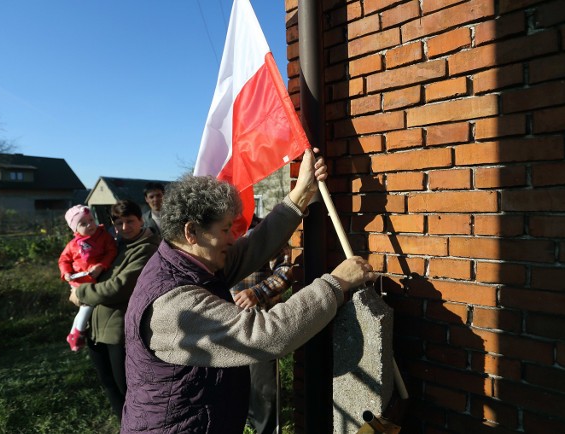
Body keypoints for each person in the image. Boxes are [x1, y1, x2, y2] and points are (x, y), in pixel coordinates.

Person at [121, 148, 375, 434]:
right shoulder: (173, 305)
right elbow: (266, 335)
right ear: (192, 232)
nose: (233, 237)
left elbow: (252, 247)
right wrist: (336, 283)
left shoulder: (189, 262)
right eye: (226, 229)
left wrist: (301, 193)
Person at [68, 199, 159, 422]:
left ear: (141, 220)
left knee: (128, 389)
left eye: (130, 221)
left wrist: (80, 293)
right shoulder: (116, 244)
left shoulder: (147, 249)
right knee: (109, 386)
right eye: (119, 223)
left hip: (120, 331)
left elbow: (119, 287)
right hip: (97, 329)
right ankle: (125, 426)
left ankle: (142, 426)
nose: (125, 227)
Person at [230, 215, 294, 434]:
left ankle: (265, 430)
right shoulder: (219, 232)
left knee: (264, 387)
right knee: (234, 387)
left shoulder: (267, 231)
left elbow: (285, 272)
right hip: (226, 324)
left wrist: (257, 292)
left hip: (260, 322)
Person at [59, 204, 117, 352]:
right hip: (78, 279)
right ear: (75, 229)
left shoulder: (103, 236)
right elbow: (63, 260)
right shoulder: (73, 245)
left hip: (93, 277)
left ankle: (76, 333)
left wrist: (101, 265)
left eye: (91, 220)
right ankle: (77, 332)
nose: (90, 225)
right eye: (83, 224)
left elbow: (111, 252)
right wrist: (66, 273)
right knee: (85, 306)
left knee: (87, 305)